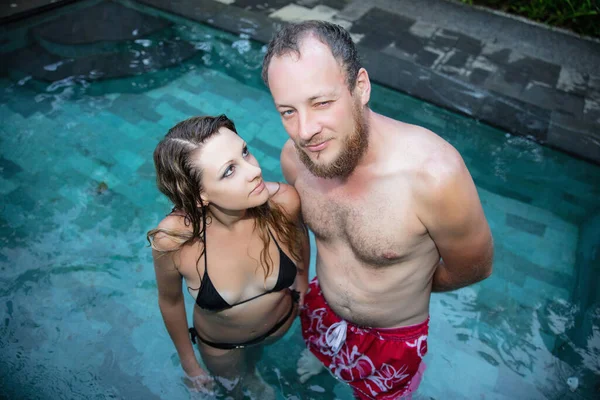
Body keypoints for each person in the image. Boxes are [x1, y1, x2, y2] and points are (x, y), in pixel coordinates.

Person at [261, 21, 494, 400]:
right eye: (288, 111)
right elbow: (298, 226)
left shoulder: (434, 175)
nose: (305, 131)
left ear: (361, 87)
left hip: (393, 341)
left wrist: (406, 287)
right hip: (322, 310)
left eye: (321, 102)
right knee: (316, 353)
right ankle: (325, 354)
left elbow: (475, 266)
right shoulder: (295, 159)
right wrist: (302, 276)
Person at [146, 115, 309, 398]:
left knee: (254, 368)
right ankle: (248, 380)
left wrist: (303, 283)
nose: (254, 171)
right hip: (223, 347)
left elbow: (300, 242)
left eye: (244, 152)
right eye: (229, 170)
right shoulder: (174, 241)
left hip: (282, 323)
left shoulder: (283, 202)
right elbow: (170, 301)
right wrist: (190, 364)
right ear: (200, 196)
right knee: (232, 393)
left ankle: (253, 373)